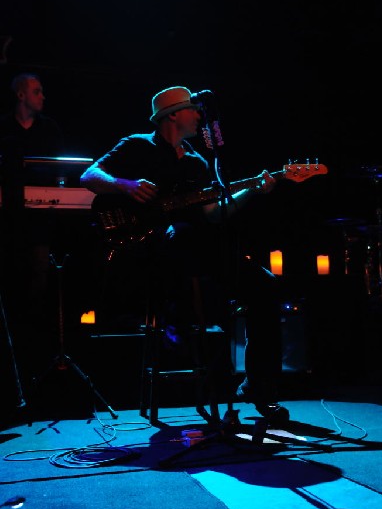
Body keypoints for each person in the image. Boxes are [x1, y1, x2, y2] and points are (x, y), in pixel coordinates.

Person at [80, 85, 290, 426]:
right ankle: (179, 321)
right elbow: (88, 175)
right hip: (150, 252)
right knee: (179, 235)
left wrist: (252, 190)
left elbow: (211, 213)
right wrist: (126, 185)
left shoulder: (196, 162)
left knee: (265, 286)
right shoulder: (136, 145)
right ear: (173, 114)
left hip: (197, 251)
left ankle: (259, 387)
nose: (199, 115)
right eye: (194, 109)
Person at [0, 73, 65, 322]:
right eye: (37, 91)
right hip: (7, 213)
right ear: (21, 95)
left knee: (39, 267)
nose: (43, 96)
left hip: (40, 215)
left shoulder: (49, 129)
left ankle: (32, 324)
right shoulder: (3, 126)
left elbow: (58, 167)